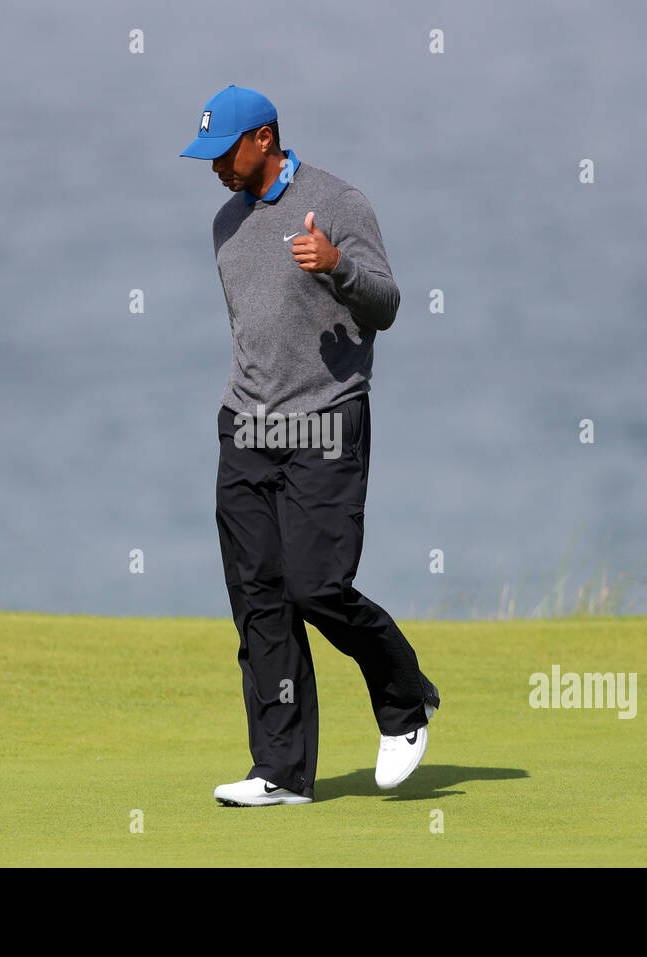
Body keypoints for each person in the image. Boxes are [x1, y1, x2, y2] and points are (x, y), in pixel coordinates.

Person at [180, 85, 440, 806]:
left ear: (263, 139)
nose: (213, 168)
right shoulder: (224, 226)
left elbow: (385, 306)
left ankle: (404, 697)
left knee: (315, 586)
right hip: (246, 430)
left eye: (223, 152)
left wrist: (336, 265)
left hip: (325, 423)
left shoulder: (339, 203)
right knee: (258, 599)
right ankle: (281, 771)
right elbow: (252, 332)